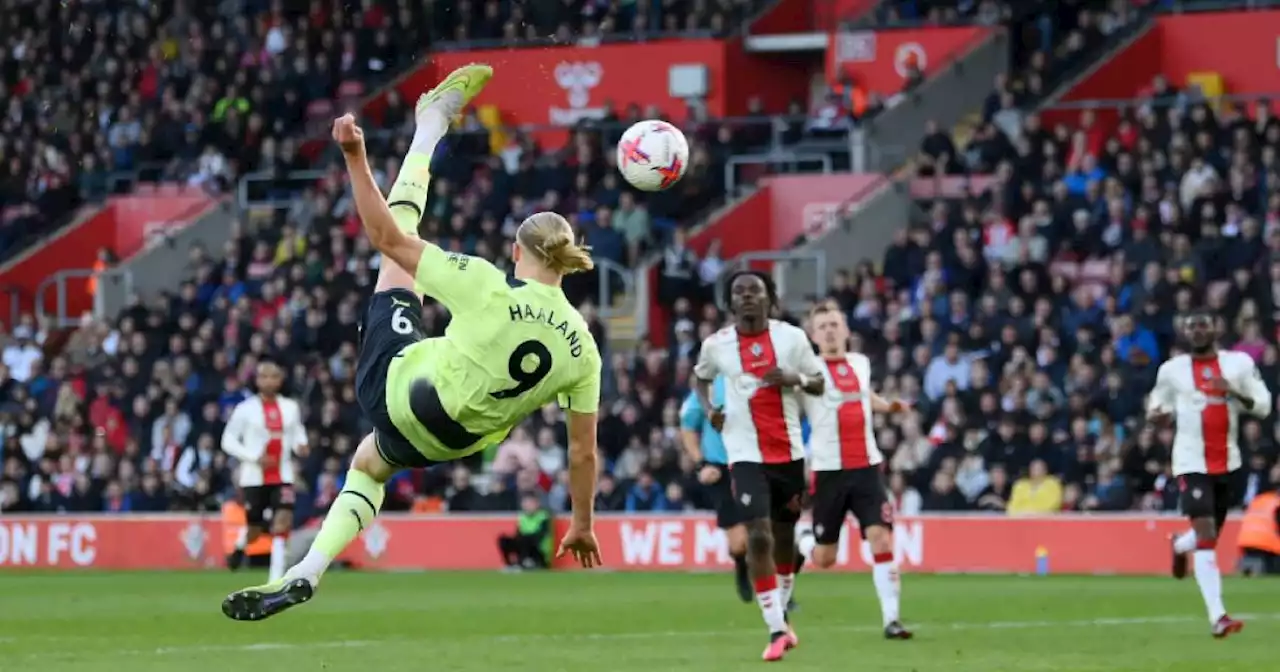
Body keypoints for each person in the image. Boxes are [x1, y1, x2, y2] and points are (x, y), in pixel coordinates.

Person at [221, 64, 605, 622]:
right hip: (454, 443)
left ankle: (429, 124)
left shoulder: (487, 283)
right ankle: (307, 569)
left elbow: (384, 237)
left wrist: (355, 155)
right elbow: (582, 452)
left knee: (399, 247)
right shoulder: (584, 350)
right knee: (371, 463)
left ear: (517, 253)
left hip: (401, 391)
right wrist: (582, 522)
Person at [692, 271, 824, 662]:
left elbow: (818, 382)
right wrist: (709, 409)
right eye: (739, 292)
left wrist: (793, 377)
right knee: (759, 537)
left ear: (770, 299)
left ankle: (780, 614)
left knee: (784, 538)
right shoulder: (716, 346)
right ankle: (776, 628)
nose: (747, 296)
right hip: (744, 455)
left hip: (789, 454)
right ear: (731, 303)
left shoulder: (792, 338)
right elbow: (699, 379)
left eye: (755, 291)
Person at [1148, 307, 1270, 638]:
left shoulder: (1239, 365)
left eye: (1203, 325)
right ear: (1186, 332)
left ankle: (1178, 546)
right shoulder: (1172, 370)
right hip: (1190, 462)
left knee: (1209, 535)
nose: (1197, 331)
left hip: (1228, 462)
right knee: (1206, 535)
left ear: (1216, 328)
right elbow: (1156, 406)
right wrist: (1156, 416)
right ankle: (1218, 616)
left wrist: (1232, 390)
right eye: (1191, 326)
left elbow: (1264, 405)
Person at [799, 301, 913, 639]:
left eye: (835, 323)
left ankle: (891, 620)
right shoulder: (807, 372)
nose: (830, 330)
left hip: (866, 468)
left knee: (880, 537)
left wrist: (888, 406)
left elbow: (864, 395)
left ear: (846, 330)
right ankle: (802, 540)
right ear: (813, 335)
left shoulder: (860, 363)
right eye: (823, 326)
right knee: (825, 559)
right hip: (829, 472)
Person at [221, 361, 308, 582]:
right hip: (254, 477)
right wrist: (253, 457)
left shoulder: (290, 407)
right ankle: (240, 546)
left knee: (283, 522)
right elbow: (227, 440)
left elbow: (297, 431)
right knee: (255, 529)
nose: (269, 381)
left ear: (281, 380)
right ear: (257, 380)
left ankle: (275, 580)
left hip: (284, 474)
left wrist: (301, 444)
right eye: (264, 376)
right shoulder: (245, 409)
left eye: (274, 376)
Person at [679, 373, 752, 602]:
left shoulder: (755, 378)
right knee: (739, 543)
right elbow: (688, 426)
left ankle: (780, 592)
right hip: (720, 468)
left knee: (766, 531)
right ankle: (741, 565)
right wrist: (701, 464)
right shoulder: (710, 386)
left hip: (753, 463)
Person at [498, 493, 553, 570]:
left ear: (537, 504)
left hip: (539, 551)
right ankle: (509, 564)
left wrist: (524, 538)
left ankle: (526, 563)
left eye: (530, 503)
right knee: (503, 539)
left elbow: (540, 536)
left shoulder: (544, 517)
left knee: (525, 539)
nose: (527, 505)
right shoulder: (523, 518)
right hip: (524, 546)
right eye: (525, 503)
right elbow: (518, 535)